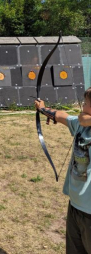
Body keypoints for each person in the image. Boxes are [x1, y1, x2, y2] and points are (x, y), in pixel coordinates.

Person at [35, 90, 91, 254]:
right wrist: (43, 109)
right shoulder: (81, 125)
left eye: (86, 103)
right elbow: (62, 116)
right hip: (75, 206)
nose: (82, 106)